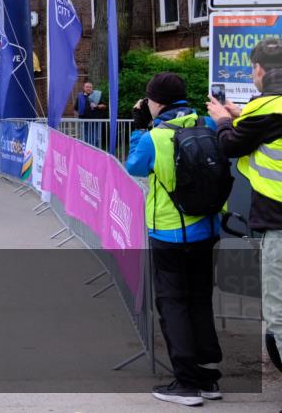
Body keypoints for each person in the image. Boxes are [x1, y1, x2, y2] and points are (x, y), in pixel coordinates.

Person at [125, 71, 223, 406]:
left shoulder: (156, 135)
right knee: (200, 300)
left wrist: (140, 127)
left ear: (156, 101)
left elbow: (133, 167)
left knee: (173, 303)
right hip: (206, 229)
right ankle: (209, 378)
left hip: (168, 232)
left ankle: (186, 383)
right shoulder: (206, 124)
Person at [207, 37, 282, 378]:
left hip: (279, 225)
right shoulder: (267, 114)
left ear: (260, 70)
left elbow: (230, 146)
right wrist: (239, 116)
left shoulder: (264, 113)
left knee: (279, 317)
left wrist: (223, 119)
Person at [76, 81, 106, 149]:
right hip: (84, 120)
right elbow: (76, 108)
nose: (88, 88)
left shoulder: (97, 95)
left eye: (90, 87)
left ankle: (95, 151)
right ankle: (87, 151)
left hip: (96, 120)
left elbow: (104, 106)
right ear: (84, 88)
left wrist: (97, 106)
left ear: (92, 88)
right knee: (85, 137)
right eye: (87, 87)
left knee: (95, 137)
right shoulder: (80, 96)